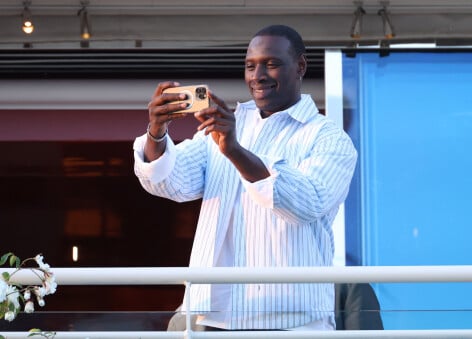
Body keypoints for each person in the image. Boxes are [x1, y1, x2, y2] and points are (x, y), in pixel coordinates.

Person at [133, 24, 357, 331]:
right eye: (250, 66)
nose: (258, 75)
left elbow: (306, 203)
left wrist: (235, 151)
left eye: (272, 64)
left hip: (292, 323)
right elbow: (173, 183)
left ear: (300, 66)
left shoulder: (327, 136)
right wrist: (157, 133)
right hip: (212, 318)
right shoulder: (229, 123)